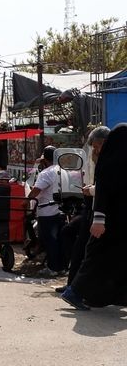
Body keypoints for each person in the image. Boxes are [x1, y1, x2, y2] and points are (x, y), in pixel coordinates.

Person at [62, 124, 127, 310]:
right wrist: (99, 219)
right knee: (96, 259)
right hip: (107, 222)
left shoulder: (119, 163)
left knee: (118, 260)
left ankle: (115, 296)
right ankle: (73, 292)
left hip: (119, 224)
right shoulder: (111, 165)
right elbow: (104, 193)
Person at [56, 126, 110, 294]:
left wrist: (92, 190)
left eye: (98, 145)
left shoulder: (112, 159)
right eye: (94, 145)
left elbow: (107, 187)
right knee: (77, 242)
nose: (95, 149)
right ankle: (73, 285)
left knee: (90, 250)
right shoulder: (93, 158)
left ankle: (81, 288)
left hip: (102, 209)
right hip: (90, 206)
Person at [27, 145, 66, 277]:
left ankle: (53, 268)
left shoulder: (46, 173)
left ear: (45, 160)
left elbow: (36, 191)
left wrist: (25, 201)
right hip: (61, 211)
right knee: (59, 241)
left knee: (50, 241)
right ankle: (61, 267)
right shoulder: (63, 170)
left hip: (47, 212)